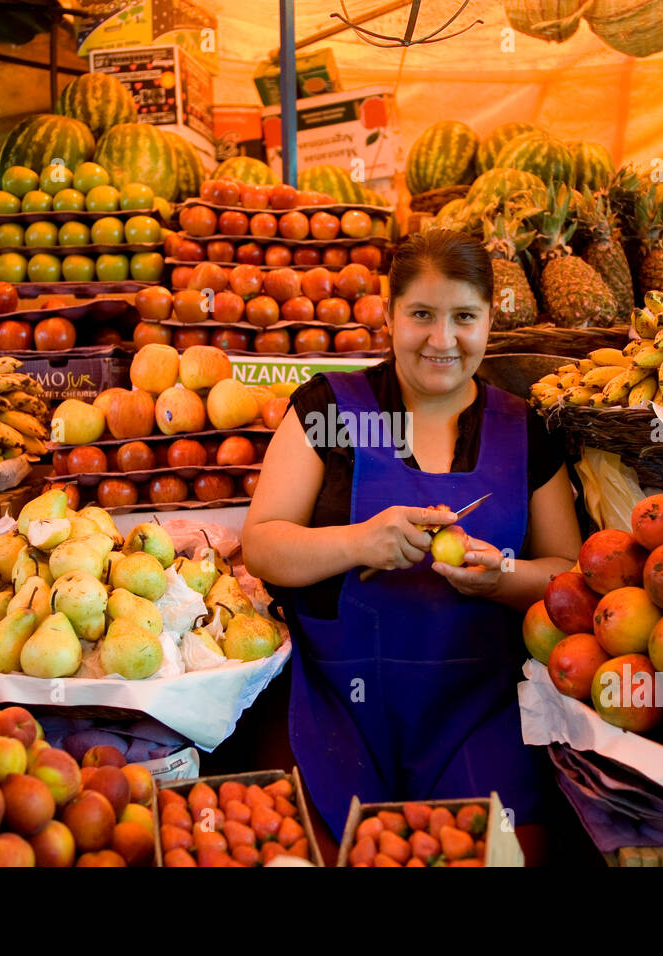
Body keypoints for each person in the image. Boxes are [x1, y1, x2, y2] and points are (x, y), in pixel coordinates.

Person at [242, 229, 581, 854]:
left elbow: (569, 572)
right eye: (421, 315)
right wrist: (359, 542)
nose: (442, 340)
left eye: (464, 318)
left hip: (483, 717)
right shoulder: (327, 409)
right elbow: (261, 544)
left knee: (494, 853)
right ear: (389, 312)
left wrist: (503, 575)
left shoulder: (524, 426)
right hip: (339, 709)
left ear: (489, 319)